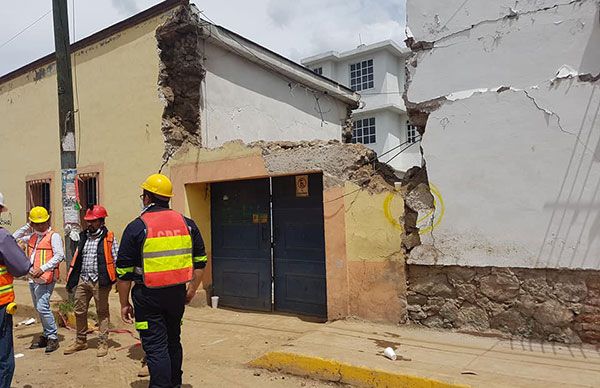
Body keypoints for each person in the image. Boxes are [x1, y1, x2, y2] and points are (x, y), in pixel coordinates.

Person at [117, 174, 207, 388]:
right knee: (173, 341)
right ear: (167, 198)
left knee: (156, 347)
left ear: (147, 197)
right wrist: (192, 289)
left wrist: (123, 303)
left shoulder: (136, 227)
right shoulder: (188, 224)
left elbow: (123, 272)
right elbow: (201, 261)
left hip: (147, 296)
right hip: (177, 294)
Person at [64, 205, 119, 357]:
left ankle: (102, 342)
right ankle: (80, 341)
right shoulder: (83, 237)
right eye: (88, 221)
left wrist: (118, 281)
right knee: (79, 310)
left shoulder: (109, 238)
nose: (90, 224)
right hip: (84, 279)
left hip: (100, 281)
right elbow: (77, 259)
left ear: (101, 221)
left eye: (93, 221)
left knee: (102, 312)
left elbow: (116, 259)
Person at [13, 206, 65, 353]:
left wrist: (43, 268)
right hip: (32, 278)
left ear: (47, 221)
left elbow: (59, 256)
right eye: (36, 223)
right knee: (39, 308)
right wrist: (28, 225)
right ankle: (46, 334)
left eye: (42, 222)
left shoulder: (53, 236)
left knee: (42, 307)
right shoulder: (33, 236)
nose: (40, 225)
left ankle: (53, 337)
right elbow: (13, 238)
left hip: (46, 277)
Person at [0, 193, 31, 387]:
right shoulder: (2, 237)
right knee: (3, 358)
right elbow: (21, 267)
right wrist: (18, 249)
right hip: (0, 305)